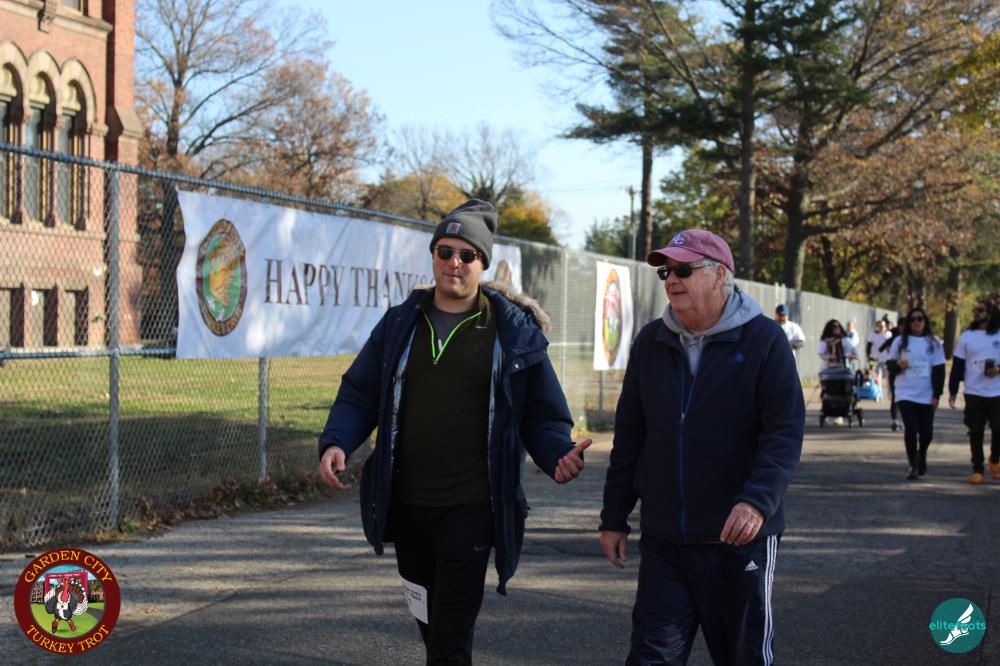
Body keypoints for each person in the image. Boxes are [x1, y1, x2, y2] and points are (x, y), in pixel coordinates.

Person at [317, 198, 591, 663]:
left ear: (483, 264)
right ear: (433, 256)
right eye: (445, 251)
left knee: (448, 636)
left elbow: (541, 414)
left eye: (468, 255)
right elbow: (360, 393)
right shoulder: (401, 324)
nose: (454, 263)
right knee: (430, 626)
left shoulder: (510, 332)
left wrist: (556, 453)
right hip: (408, 507)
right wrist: (337, 441)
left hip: (472, 507)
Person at [599, 228, 805, 665]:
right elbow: (630, 439)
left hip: (738, 540)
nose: (672, 279)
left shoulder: (764, 340)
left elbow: (784, 433)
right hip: (664, 542)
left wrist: (756, 502)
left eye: (684, 270)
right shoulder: (650, 342)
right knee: (650, 658)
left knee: (743, 657)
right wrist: (614, 517)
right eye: (666, 272)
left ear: (719, 275)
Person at [886, 308, 945, 480]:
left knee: (927, 433)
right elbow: (890, 365)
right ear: (908, 323)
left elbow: (939, 370)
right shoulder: (899, 341)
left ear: (925, 321)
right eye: (912, 320)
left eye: (920, 319)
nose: (916, 322)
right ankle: (912, 464)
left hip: (926, 393)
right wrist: (898, 365)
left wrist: (937, 394)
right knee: (910, 428)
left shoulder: (934, 343)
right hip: (906, 392)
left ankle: (922, 454)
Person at [948, 299, 1000, 484]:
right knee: (976, 431)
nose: (977, 313)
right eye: (975, 310)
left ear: (991, 313)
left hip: (997, 392)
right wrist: (953, 390)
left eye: (981, 310)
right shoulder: (967, 336)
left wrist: (998, 369)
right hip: (974, 392)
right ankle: (977, 469)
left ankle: (995, 460)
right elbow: (957, 365)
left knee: (998, 429)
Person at [866, 318, 893, 401]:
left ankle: (890, 393)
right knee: (876, 378)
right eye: (879, 326)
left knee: (889, 378)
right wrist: (868, 355)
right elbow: (869, 346)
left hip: (886, 360)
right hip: (875, 359)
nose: (881, 327)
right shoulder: (873, 335)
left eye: (882, 326)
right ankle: (879, 394)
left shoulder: (888, 334)